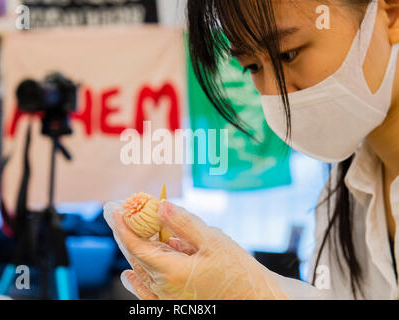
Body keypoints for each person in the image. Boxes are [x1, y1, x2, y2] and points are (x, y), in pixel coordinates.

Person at [104, 0, 399, 299]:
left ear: (391, 14)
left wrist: (253, 293)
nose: (273, 92)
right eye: (252, 67)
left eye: (289, 53)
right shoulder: (345, 193)